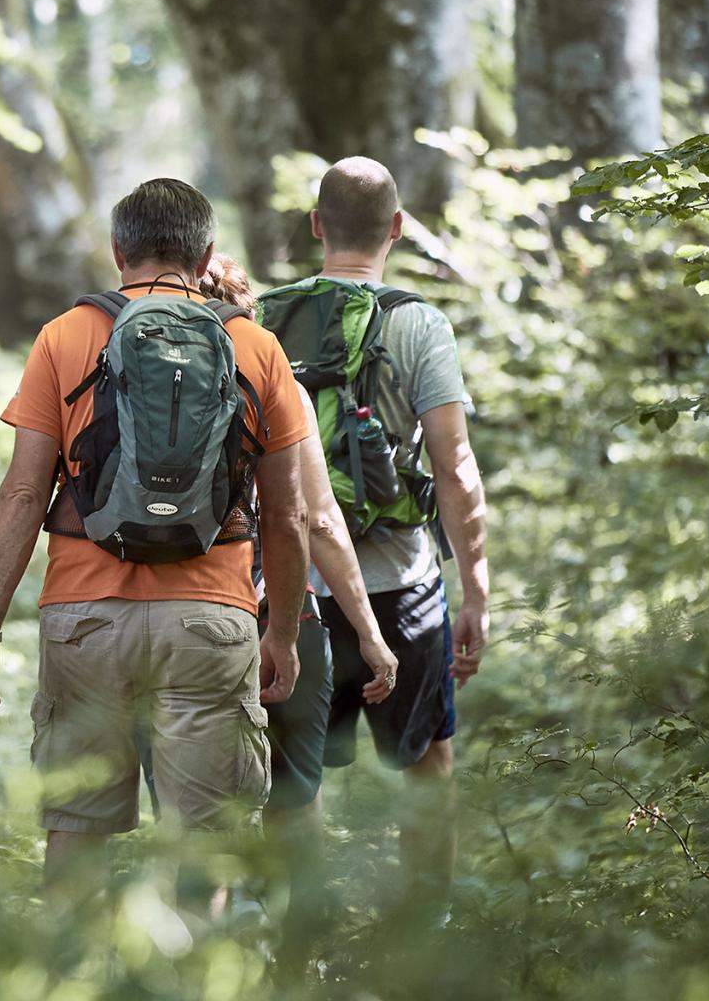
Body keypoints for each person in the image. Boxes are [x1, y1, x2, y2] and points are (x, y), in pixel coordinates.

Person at [0, 178, 394, 904]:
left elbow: (25, 495)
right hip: (212, 620)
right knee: (207, 846)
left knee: (75, 834)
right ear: (207, 254)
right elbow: (287, 516)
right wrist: (278, 634)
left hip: (84, 620)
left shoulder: (65, 338)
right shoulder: (254, 346)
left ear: (118, 250)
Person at [266, 155, 492, 928]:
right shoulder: (419, 322)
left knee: (295, 781)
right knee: (427, 763)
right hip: (406, 587)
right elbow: (455, 469)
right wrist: (477, 593)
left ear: (316, 225)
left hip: (297, 591)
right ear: (397, 228)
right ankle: (424, 937)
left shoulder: (263, 319)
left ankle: (306, 932)